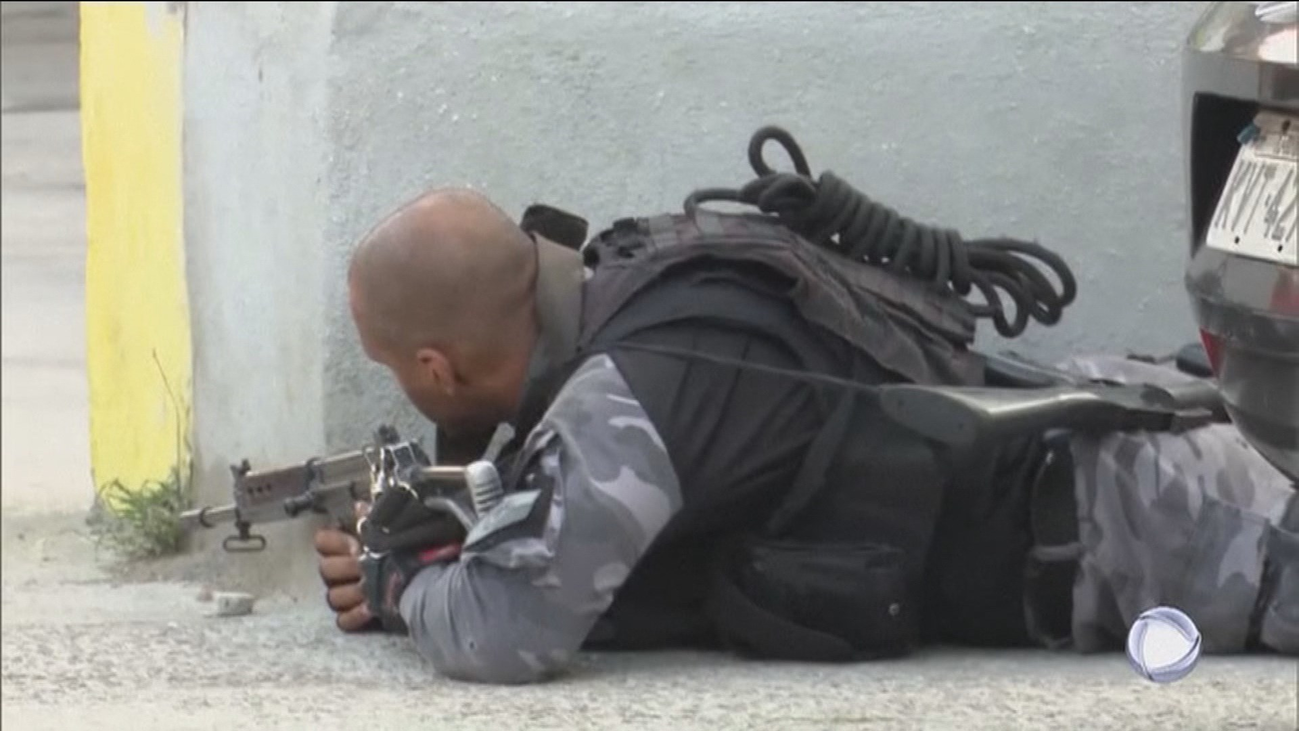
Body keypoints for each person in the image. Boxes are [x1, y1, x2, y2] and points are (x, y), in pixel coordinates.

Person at [315, 184, 1297, 685]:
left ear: (438, 367)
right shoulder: (651, 273)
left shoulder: (623, 395)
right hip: (1121, 441)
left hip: (1162, 527)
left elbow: (510, 624)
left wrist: (405, 581)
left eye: (399, 369)